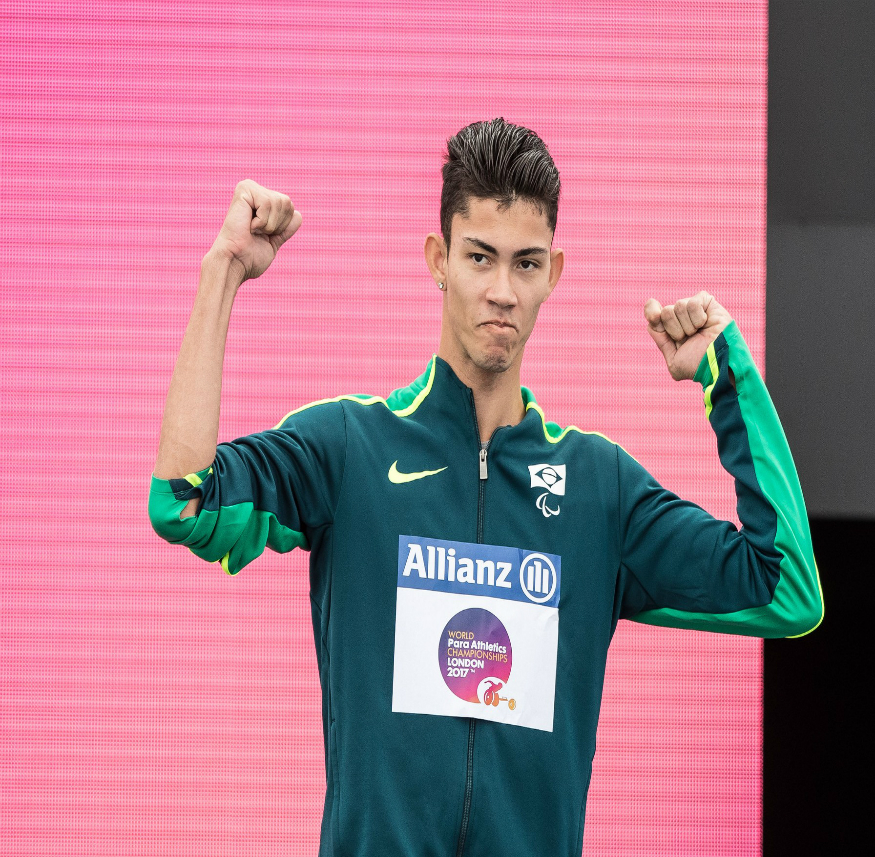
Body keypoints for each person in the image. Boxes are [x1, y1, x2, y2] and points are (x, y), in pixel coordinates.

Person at [149, 118, 823, 857]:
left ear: (553, 275)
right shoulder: (350, 448)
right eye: (480, 257)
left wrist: (728, 379)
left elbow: (786, 590)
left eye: (526, 264)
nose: (502, 290)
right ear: (439, 259)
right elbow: (183, 501)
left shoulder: (600, 490)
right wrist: (223, 271)